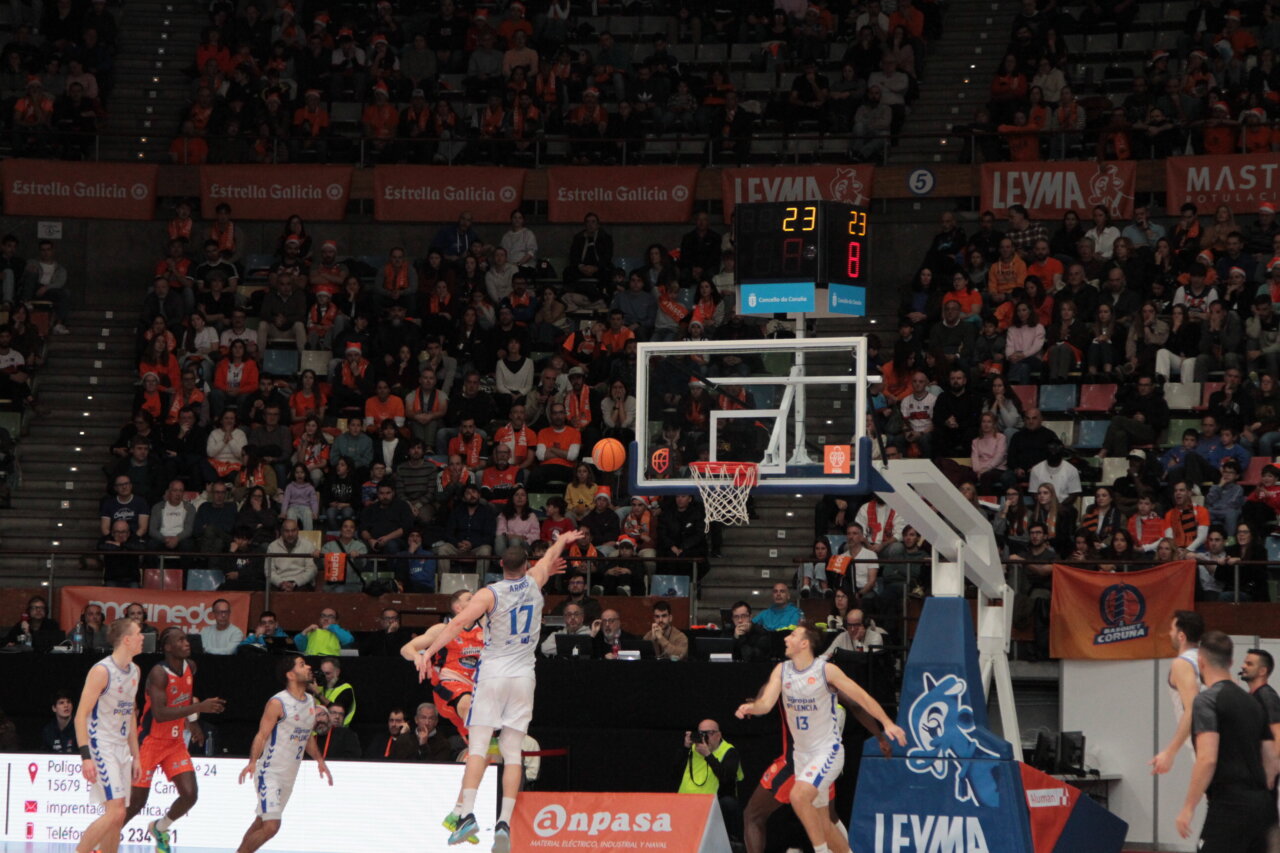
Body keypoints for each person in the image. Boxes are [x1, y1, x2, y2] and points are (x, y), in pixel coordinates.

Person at [424, 531, 585, 850]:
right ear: (527, 564)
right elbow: (551, 555)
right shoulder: (535, 581)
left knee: (479, 746)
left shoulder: (489, 593)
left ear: (500, 564)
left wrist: (429, 653)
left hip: (494, 676)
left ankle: (466, 815)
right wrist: (564, 538)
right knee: (513, 752)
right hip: (524, 677)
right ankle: (504, 823)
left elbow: (456, 625)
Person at [736, 625, 906, 853]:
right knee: (824, 822)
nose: (786, 638)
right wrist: (752, 707)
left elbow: (861, 698)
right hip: (802, 756)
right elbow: (766, 703)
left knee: (798, 797)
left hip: (827, 752)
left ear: (805, 643)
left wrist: (887, 723)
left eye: (793, 635)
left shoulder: (825, 671)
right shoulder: (782, 670)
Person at [1175, 631, 1278, 851]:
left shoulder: (1207, 700)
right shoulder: (1252, 702)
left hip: (1229, 806)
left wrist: (1188, 807)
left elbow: (1207, 759)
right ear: (1230, 662)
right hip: (1261, 806)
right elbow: (1272, 760)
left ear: (1201, 663)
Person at [124, 628, 226, 851]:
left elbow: (185, 695)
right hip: (150, 742)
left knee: (190, 795)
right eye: (180, 640)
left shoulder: (191, 666)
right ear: (168, 647)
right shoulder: (159, 674)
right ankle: (104, 839)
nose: (186, 643)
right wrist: (199, 707)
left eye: (186, 639)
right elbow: (160, 714)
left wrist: (193, 721)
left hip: (174, 742)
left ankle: (160, 828)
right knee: (136, 803)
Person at [234, 654, 332, 853]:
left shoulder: (311, 702)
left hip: (289, 776)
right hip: (270, 772)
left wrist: (320, 760)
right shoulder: (278, 702)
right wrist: (252, 762)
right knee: (272, 826)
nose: (308, 667)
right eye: (302, 665)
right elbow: (262, 735)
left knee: (261, 822)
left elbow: (307, 737)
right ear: (291, 675)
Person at [73, 617, 143, 853]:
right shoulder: (102, 671)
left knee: (117, 816)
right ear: (126, 640)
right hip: (101, 745)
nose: (143, 637)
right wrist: (86, 756)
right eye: (139, 633)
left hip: (122, 746)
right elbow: (80, 715)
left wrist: (137, 756)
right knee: (116, 811)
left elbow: (130, 715)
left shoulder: (135, 671)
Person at [401, 588, 485, 740]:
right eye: (469, 598)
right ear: (458, 608)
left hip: (479, 684)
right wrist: (417, 656)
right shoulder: (442, 629)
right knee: (468, 707)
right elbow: (406, 649)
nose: (475, 601)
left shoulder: (486, 627)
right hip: (451, 682)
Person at [1152, 610, 1205, 775]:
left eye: (1172, 629)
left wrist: (1170, 752)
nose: (1169, 633)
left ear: (1181, 636)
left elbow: (1193, 708)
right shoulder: (1211, 659)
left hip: (1205, 739)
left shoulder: (1183, 663)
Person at [678, 719, 743, 844]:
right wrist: (685, 748)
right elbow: (674, 773)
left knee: (729, 804)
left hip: (714, 805)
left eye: (709, 733)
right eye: (701, 733)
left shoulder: (729, 751)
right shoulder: (692, 749)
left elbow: (726, 779)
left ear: (719, 735)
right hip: (686, 802)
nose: (704, 737)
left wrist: (708, 755)